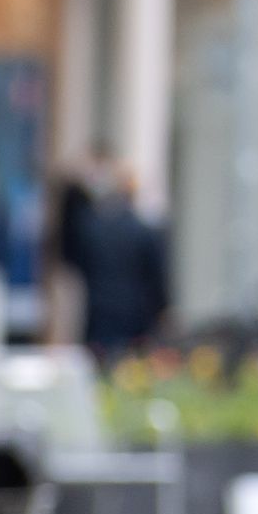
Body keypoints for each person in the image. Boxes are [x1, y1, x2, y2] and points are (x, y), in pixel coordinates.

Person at [63, 148, 171, 359]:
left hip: (98, 314)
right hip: (135, 318)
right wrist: (163, 312)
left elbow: (72, 259)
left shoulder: (92, 228)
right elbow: (157, 279)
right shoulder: (144, 231)